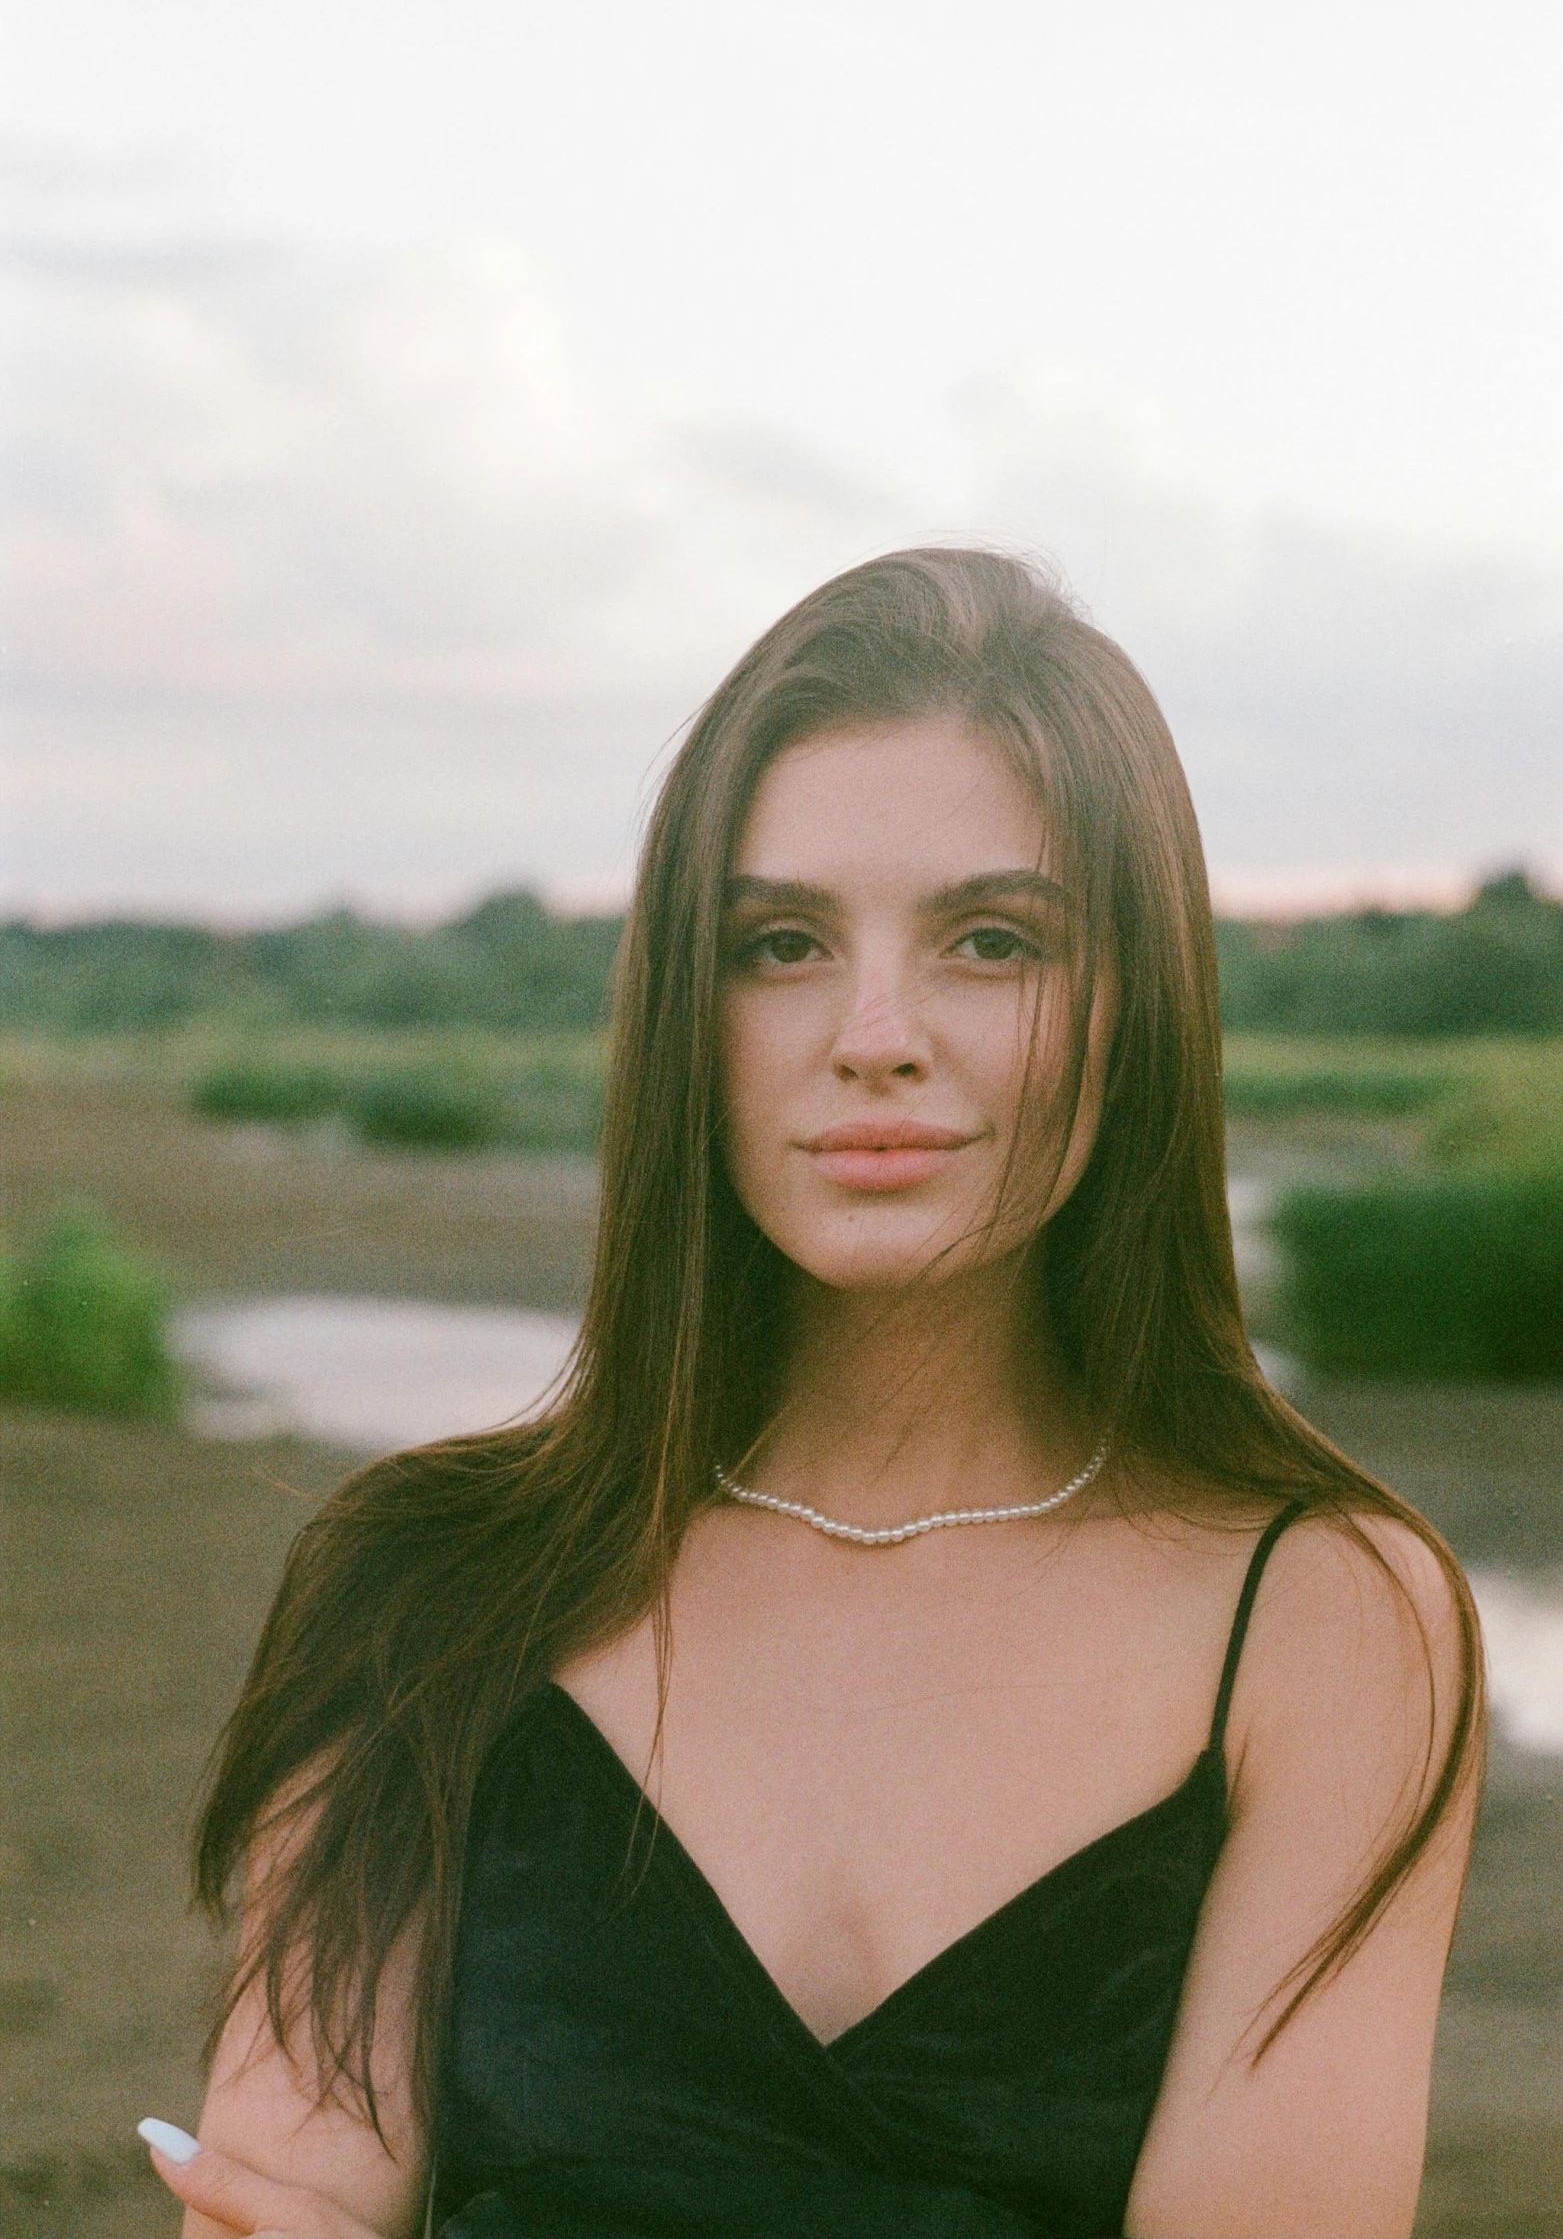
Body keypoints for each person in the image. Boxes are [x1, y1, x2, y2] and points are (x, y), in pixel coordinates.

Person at [144, 549, 1483, 2239]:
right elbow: (285, 2208)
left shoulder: (1327, 1623)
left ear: (1135, 1003)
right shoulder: (420, 1581)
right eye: (778, 944)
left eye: (991, 942)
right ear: (680, 1018)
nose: (872, 1033)